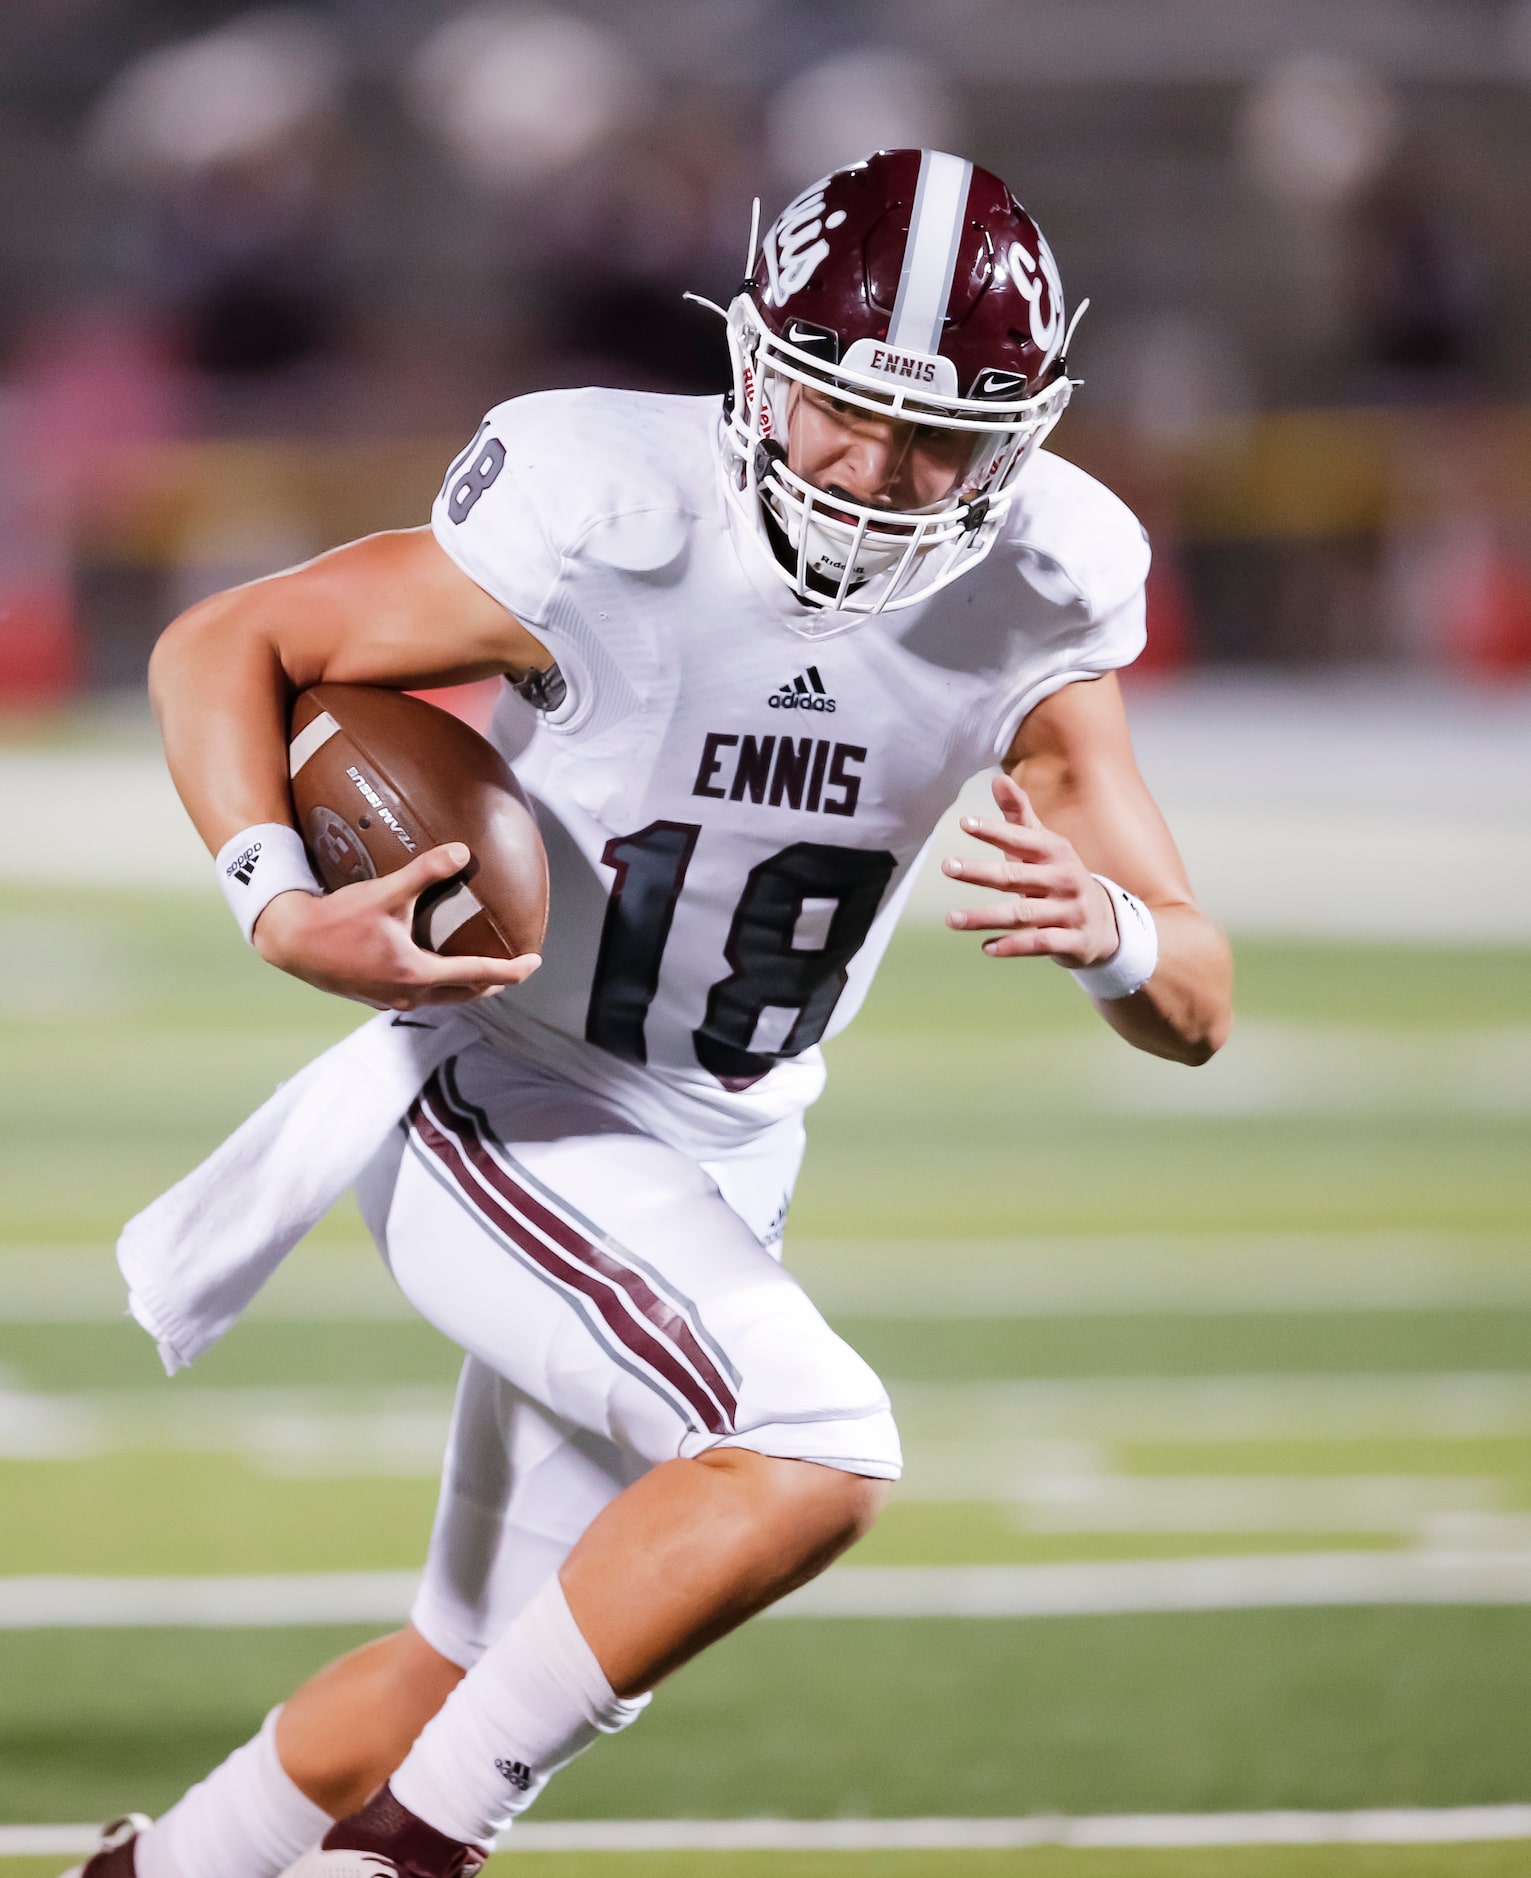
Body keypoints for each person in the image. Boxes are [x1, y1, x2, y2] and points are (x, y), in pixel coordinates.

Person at [70, 149, 1231, 1878]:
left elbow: (1200, 1005)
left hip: (725, 1151)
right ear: (758, 365)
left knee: (458, 1667)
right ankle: (405, 1858)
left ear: (1023, 437)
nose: (881, 477)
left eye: (943, 442)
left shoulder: (1042, 584)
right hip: (507, 1092)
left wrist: (1117, 934)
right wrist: (279, 899)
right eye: (845, 412)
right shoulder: (610, 499)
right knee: (809, 1445)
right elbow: (223, 644)